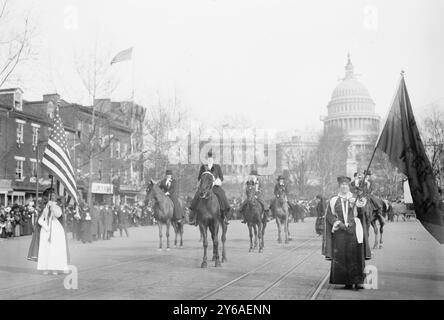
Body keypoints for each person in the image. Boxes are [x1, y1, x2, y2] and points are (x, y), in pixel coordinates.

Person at [323, 176, 370, 290]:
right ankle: (347, 281)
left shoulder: (355, 198)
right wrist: (338, 223)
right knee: (342, 256)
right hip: (340, 231)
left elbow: (362, 211)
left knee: (356, 255)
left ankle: (358, 281)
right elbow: (329, 215)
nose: (344, 186)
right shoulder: (334, 200)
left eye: (346, 184)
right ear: (339, 186)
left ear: (349, 186)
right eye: (342, 185)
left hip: (354, 230)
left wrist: (359, 200)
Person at [189, 150, 231, 225]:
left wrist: (216, 182)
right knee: (196, 196)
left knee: (222, 195)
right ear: (207, 159)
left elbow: (221, 178)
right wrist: (201, 183)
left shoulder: (217, 167)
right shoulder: (203, 167)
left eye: (211, 159)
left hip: (214, 186)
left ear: (213, 159)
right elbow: (199, 177)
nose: (210, 160)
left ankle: (224, 215)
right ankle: (194, 216)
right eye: (208, 158)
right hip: (205, 187)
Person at [36, 188, 69, 275]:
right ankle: (46, 267)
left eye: (54, 195)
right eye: (51, 195)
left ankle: (56, 267)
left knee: (55, 248)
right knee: (46, 248)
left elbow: (58, 214)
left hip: (56, 229)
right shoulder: (46, 206)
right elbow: (41, 219)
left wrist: (52, 206)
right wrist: (45, 225)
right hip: (46, 229)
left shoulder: (58, 206)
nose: (52, 197)